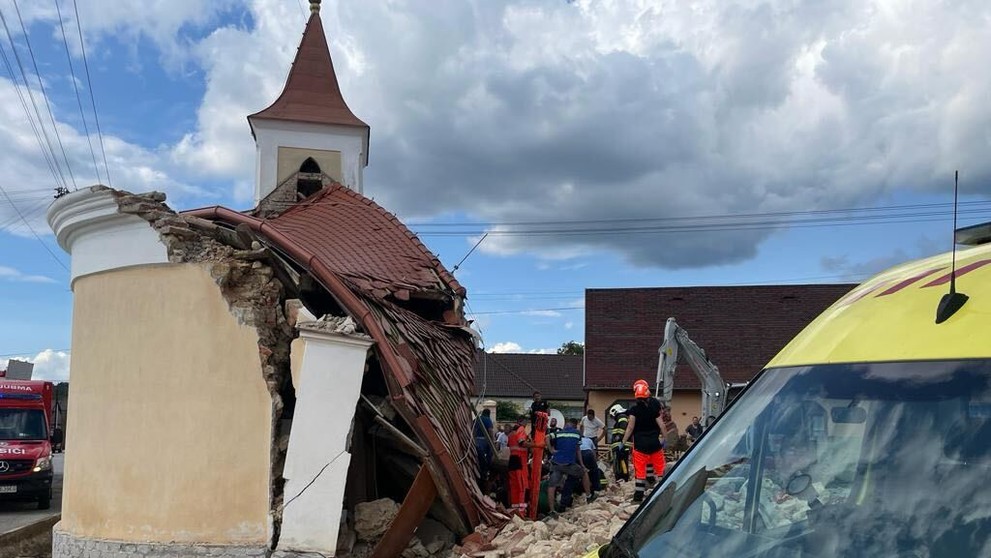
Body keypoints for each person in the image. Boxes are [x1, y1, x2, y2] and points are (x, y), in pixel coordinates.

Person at [622, 379, 671, 503]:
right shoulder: (654, 409)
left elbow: (630, 427)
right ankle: (663, 494)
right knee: (660, 470)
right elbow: (662, 426)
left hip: (640, 445)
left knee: (640, 472)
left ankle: (638, 497)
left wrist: (623, 442)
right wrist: (665, 440)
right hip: (655, 443)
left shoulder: (634, 410)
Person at [547, 418, 591, 512]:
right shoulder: (577, 434)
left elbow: (547, 437)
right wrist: (582, 464)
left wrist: (551, 450)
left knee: (552, 485)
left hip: (556, 464)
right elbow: (578, 450)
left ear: (566, 425)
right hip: (569, 464)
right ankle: (589, 495)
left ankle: (552, 510)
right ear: (575, 426)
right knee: (584, 473)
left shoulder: (558, 433)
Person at [506, 416, 532, 516]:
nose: (526, 424)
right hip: (520, 460)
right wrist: (536, 445)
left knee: (514, 487)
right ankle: (522, 511)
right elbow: (522, 443)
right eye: (526, 422)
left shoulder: (511, 433)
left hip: (512, 460)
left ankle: (515, 510)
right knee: (523, 486)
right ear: (522, 422)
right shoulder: (521, 429)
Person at [608, 404, 631, 482]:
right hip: (620, 445)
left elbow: (623, 427)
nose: (612, 418)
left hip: (621, 445)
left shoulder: (621, 417)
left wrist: (619, 436)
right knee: (621, 461)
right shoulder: (621, 417)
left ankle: (623, 477)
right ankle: (623, 477)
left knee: (621, 461)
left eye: (612, 415)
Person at [474, 409, 494, 486]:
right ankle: (486, 472)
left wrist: (474, 439)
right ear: (488, 414)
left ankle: (480, 472)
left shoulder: (477, 419)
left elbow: (474, 430)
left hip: (477, 440)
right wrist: (492, 442)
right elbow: (490, 431)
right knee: (487, 458)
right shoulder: (487, 419)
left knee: (478, 458)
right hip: (484, 440)